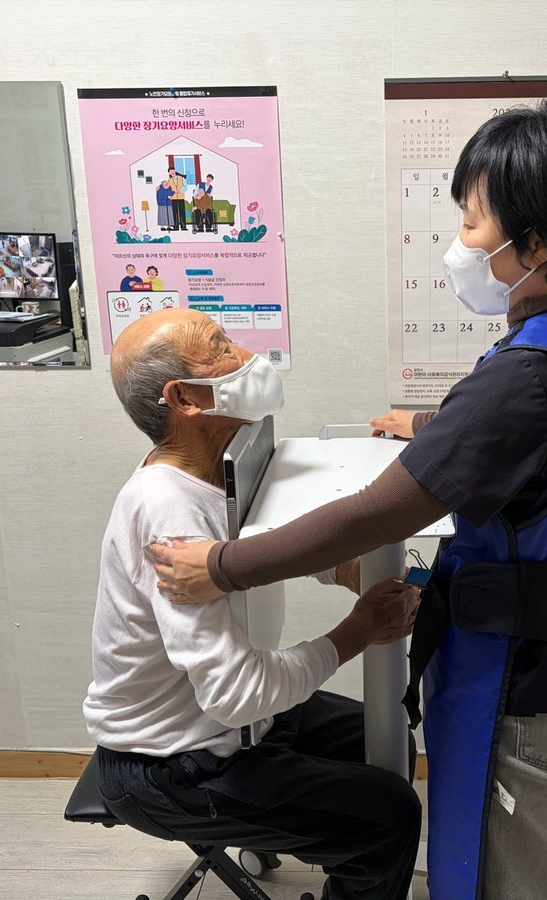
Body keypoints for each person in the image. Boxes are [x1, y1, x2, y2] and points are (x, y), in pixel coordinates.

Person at [149, 100, 547, 900]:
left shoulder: (522, 377)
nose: (461, 242)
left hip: (510, 680)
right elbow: (542, 445)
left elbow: (375, 515)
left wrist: (224, 566)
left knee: (496, 881)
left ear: (536, 244)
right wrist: (429, 425)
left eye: (474, 222)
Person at [85, 309, 423, 900]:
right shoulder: (170, 513)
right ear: (185, 398)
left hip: (229, 725)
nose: (245, 354)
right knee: (388, 816)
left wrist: (342, 570)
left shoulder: (221, 467)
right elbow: (236, 694)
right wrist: (356, 632)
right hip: (171, 763)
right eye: (219, 345)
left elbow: (257, 549)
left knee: (385, 732)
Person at [167, 166, 187, 232]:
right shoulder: (169, 181)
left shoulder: (182, 178)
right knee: (174, 212)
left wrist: (180, 191)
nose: (172, 172)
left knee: (182, 212)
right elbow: (168, 189)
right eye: (170, 172)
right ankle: (175, 226)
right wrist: (171, 194)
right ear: (169, 173)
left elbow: (185, 187)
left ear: (175, 171)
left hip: (181, 197)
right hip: (173, 198)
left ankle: (183, 226)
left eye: (173, 171)